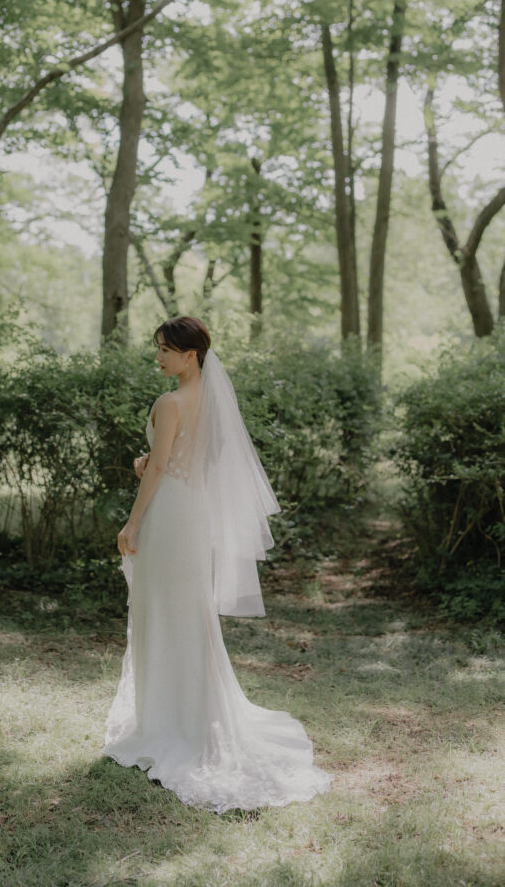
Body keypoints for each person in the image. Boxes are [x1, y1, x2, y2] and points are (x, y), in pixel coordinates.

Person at [103, 316, 331, 812]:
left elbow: (162, 466)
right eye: (158, 348)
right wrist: (150, 462)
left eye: (165, 350)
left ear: (190, 354)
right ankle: (194, 716)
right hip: (196, 515)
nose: (158, 358)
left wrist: (132, 523)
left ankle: (167, 722)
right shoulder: (213, 399)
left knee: (162, 610)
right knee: (190, 612)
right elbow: (188, 459)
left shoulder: (168, 402)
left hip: (168, 517)